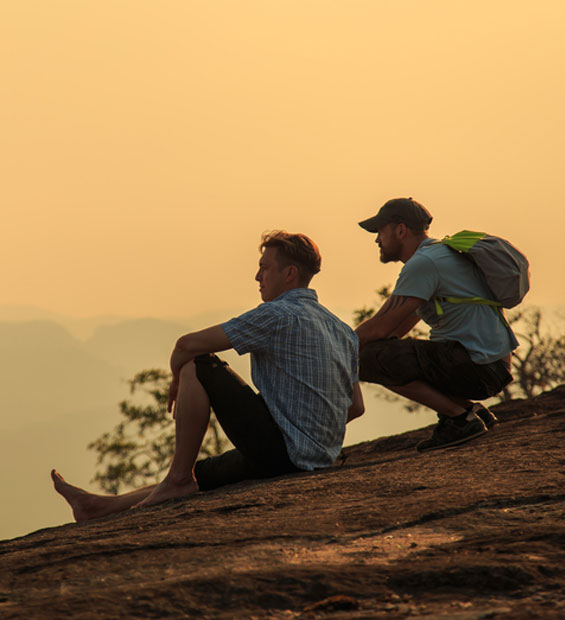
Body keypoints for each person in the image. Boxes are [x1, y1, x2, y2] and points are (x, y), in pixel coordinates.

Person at [52, 230, 364, 521]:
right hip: (314, 457)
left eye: (264, 268)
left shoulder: (277, 314)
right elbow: (355, 407)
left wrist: (180, 378)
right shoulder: (343, 331)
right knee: (201, 476)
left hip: (282, 453)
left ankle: (176, 478)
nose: (257, 276)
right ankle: (97, 506)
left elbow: (186, 345)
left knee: (197, 364)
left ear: (290, 273)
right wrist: (309, 434)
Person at [355, 197, 517, 452]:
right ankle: (469, 411)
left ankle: (460, 418)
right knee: (376, 353)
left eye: (380, 231)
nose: (377, 239)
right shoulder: (440, 255)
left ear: (400, 230)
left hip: (478, 366)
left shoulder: (424, 263)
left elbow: (381, 328)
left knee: (365, 357)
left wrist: (336, 348)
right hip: (494, 366)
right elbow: (395, 328)